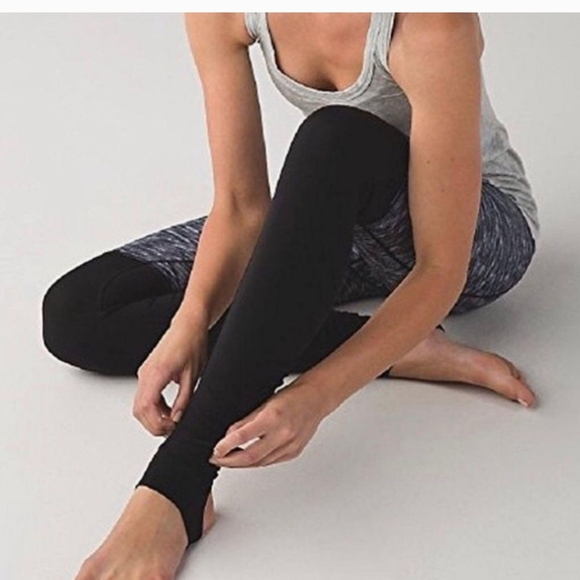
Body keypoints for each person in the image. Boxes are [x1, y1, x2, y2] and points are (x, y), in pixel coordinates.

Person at [41, 13, 539, 580]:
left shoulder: (428, 22)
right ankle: (398, 348)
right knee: (80, 311)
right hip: (342, 215)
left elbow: (440, 270)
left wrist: (316, 394)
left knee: (334, 136)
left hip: (474, 236)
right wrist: (190, 320)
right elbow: (242, 207)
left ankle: (177, 485)